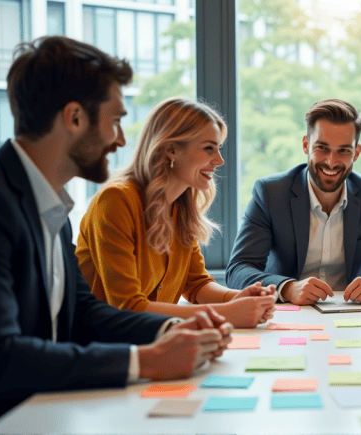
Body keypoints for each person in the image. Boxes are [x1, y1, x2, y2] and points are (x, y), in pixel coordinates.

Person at [0, 36, 232, 432]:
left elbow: (83, 312)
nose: (122, 139)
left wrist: (174, 329)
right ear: (75, 118)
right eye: (114, 120)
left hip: (54, 408)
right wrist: (144, 361)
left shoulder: (49, 203)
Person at [76, 98, 276, 328]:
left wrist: (236, 298)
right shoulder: (115, 201)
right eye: (208, 148)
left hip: (151, 340)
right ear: (171, 149)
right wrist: (226, 313)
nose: (219, 160)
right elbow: (127, 306)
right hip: (102, 346)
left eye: (218, 148)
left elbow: (196, 284)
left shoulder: (181, 207)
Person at [226, 98, 361, 306]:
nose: (331, 161)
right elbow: (238, 269)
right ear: (306, 145)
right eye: (322, 148)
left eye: (343, 150)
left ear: (357, 153)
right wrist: (287, 288)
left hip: (352, 315)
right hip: (288, 313)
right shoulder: (270, 193)